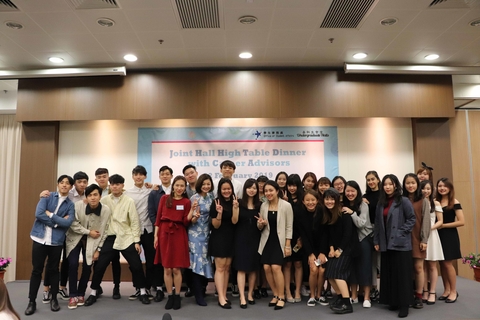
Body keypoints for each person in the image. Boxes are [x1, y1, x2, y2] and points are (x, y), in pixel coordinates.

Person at [85, 174, 150, 306]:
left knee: (137, 265)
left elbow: (134, 222)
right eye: (113, 184)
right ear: (110, 185)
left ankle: (142, 291)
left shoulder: (129, 201)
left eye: (118, 184)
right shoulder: (104, 200)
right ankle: (93, 292)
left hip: (126, 237)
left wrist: (136, 241)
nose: (115, 186)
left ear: (122, 186)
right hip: (109, 237)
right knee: (100, 266)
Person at [25, 175, 75, 316]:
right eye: (62, 182)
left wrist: (51, 215)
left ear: (71, 187)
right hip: (39, 238)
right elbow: (39, 214)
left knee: (54, 270)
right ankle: (32, 301)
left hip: (56, 241)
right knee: (36, 270)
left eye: (67, 183)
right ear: (58, 184)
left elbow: (68, 223)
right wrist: (56, 223)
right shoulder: (46, 196)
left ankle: (54, 299)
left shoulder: (70, 205)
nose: (64, 185)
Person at [374, 174, 416, 318]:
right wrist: (376, 241)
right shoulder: (381, 202)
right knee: (389, 273)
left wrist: (401, 231)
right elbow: (378, 224)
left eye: (390, 184)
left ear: (396, 186)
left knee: (402, 275)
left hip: (401, 243)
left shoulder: (403, 200)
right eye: (385, 184)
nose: (387, 187)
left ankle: (404, 305)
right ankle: (393, 301)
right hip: (386, 243)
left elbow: (412, 218)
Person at [65, 184, 111, 309]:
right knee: (73, 264)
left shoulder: (106, 210)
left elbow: (105, 231)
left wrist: (99, 249)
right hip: (75, 238)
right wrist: (88, 232)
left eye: (95, 195)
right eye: (90, 195)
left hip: (93, 241)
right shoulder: (78, 205)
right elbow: (73, 224)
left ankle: (81, 293)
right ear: (86, 197)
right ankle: (73, 295)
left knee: (87, 266)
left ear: (100, 196)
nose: (92, 198)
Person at [154, 175, 191, 310]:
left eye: (182, 186)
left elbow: (186, 222)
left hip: (179, 234)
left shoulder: (186, 202)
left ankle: (177, 295)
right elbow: (158, 219)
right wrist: (156, 236)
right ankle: (169, 295)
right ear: (173, 186)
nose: (179, 188)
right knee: (167, 268)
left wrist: (192, 211)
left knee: (176, 268)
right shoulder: (164, 199)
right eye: (177, 185)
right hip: (164, 233)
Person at [257, 180, 293, 310]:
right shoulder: (263, 205)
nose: (268, 193)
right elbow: (260, 226)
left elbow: (289, 226)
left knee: (276, 268)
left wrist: (288, 245)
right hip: (267, 240)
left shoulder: (286, 205)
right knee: (266, 268)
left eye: (271, 190)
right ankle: (276, 294)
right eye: (266, 191)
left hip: (280, 241)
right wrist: (261, 224)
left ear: (277, 191)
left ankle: (281, 296)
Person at [125, 165, 156, 301]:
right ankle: (138, 287)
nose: (138, 177)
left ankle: (147, 287)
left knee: (151, 261)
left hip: (148, 230)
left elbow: (165, 188)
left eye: (141, 174)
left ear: (145, 176)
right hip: (133, 232)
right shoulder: (127, 193)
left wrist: (154, 185)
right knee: (135, 262)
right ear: (132, 176)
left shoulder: (151, 191)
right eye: (136, 174)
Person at [323, 188, 357, 314]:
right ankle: (340, 298)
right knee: (330, 275)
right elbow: (329, 235)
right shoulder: (328, 214)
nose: (329, 201)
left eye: (332, 199)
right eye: (327, 199)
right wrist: (332, 248)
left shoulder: (344, 214)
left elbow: (347, 235)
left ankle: (347, 304)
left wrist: (340, 250)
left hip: (347, 249)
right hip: (336, 249)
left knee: (338, 274)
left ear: (337, 200)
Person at [209, 178, 239, 309]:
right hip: (219, 238)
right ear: (220, 190)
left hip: (231, 238)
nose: (226, 191)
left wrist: (235, 208)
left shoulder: (235, 201)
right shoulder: (215, 202)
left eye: (229, 188)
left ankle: (224, 294)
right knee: (220, 267)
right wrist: (219, 213)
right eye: (224, 189)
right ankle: (220, 297)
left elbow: (234, 221)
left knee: (227, 267)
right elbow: (215, 225)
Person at [343, 181, 373, 308]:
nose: (350, 194)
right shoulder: (342, 204)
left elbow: (362, 224)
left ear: (357, 192)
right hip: (350, 241)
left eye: (352, 191)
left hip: (363, 239)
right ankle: (354, 296)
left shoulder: (362, 204)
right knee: (352, 269)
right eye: (348, 191)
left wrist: (352, 213)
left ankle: (366, 297)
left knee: (365, 268)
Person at [402, 173, 431, 309]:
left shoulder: (423, 200)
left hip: (418, 237)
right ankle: (408, 294)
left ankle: (419, 296)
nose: (410, 185)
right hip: (403, 238)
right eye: (408, 183)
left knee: (418, 268)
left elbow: (426, 220)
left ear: (417, 184)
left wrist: (424, 239)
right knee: (406, 268)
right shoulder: (401, 199)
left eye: (413, 183)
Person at [187, 174, 215, 306]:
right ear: (199, 185)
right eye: (203, 184)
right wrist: (195, 217)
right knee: (196, 264)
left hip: (208, 234)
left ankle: (203, 290)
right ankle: (198, 294)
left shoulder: (212, 197)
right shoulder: (194, 198)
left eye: (208, 184)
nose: (206, 186)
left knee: (205, 262)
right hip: (195, 235)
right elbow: (190, 219)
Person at [234, 178, 262, 309]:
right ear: (245, 189)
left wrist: (261, 224)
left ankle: (250, 294)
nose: (252, 190)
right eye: (249, 187)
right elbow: (234, 221)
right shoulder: (239, 203)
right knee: (241, 268)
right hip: (241, 239)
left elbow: (261, 225)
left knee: (253, 268)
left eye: (254, 188)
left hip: (255, 239)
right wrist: (234, 208)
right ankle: (242, 296)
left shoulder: (260, 205)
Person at [297, 189, 328, 307]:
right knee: (314, 269)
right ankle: (312, 296)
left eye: (313, 200)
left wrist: (322, 252)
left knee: (322, 270)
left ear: (317, 200)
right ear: (303, 202)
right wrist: (310, 254)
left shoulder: (322, 212)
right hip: (309, 248)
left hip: (321, 248)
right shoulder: (300, 214)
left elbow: (325, 234)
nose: (310, 202)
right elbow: (303, 236)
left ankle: (319, 295)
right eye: (307, 200)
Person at [435, 178, 464, 303]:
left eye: (445, 186)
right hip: (438, 235)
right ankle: (446, 290)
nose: (442, 188)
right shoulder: (436, 201)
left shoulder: (454, 201)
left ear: (450, 188)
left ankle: (453, 291)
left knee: (447, 263)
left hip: (449, 235)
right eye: (440, 186)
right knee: (441, 263)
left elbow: (461, 221)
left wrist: (444, 225)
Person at [94, 167, 122, 299]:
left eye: (104, 176)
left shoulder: (116, 191)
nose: (102, 179)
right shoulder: (93, 191)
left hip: (114, 232)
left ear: (108, 178)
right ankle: (97, 287)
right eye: (99, 177)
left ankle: (116, 287)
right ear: (96, 179)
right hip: (99, 232)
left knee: (115, 261)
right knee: (98, 261)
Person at [147, 165, 173, 302]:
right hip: (159, 231)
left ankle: (173, 288)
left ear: (171, 176)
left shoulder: (177, 191)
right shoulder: (154, 193)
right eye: (162, 174)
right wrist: (159, 226)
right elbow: (152, 213)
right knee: (158, 260)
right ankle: (158, 288)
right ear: (159, 176)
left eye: (167, 174)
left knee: (173, 260)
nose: (165, 176)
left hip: (175, 232)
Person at [420, 180, 444, 305]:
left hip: (432, 235)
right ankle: (424, 291)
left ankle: (432, 292)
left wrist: (429, 228)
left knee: (432, 266)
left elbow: (440, 221)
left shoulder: (435, 203)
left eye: (428, 189)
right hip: (421, 236)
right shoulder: (419, 202)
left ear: (432, 190)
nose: (426, 191)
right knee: (422, 266)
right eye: (423, 188)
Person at [362, 170, 381, 300]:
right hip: (369, 230)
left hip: (382, 230)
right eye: (368, 180)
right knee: (372, 262)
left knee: (381, 261)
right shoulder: (365, 196)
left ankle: (383, 288)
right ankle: (374, 289)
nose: (371, 182)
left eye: (373, 179)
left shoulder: (384, 194)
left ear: (378, 180)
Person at [285, 174, 304, 304]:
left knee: (298, 263)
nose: (292, 188)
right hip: (286, 237)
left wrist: (302, 238)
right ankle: (287, 291)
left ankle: (297, 290)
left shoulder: (303, 199)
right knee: (287, 264)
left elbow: (306, 222)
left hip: (299, 237)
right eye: (289, 185)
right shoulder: (283, 199)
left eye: (294, 185)